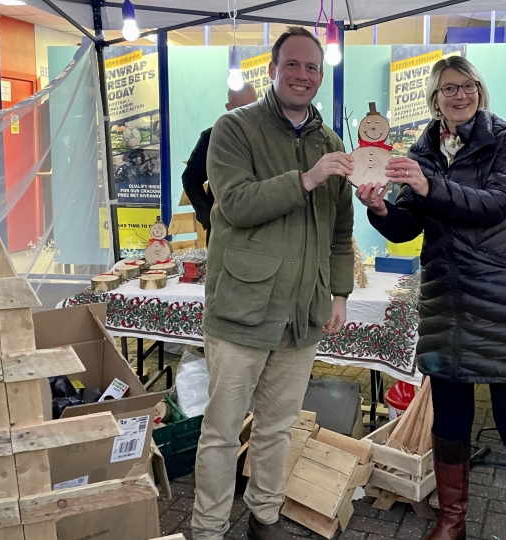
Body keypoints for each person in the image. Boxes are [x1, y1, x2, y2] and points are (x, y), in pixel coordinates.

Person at [356, 56, 506, 540]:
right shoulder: (421, 152)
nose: (459, 95)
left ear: (479, 91)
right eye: (449, 88)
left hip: (503, 296)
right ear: (435, 98)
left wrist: (430, 186)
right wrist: (380, 208)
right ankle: (452, 519)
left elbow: (496, 205)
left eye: (467, 86)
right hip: (448, 299)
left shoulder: (505, 141)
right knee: (449, 416)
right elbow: (407, 226)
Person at [191, 26, 355, 540]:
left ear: (320, 76)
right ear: (273, 69)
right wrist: (305, 179)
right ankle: (209, 527)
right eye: (293, 65)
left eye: (311, 68)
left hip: (301, 311)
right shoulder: (234, 128)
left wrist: (341, 291)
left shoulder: (331, 142)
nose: (302, 75)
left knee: (277, 428)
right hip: (243, 306)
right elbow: (234, 204)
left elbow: (340, 227)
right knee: (220, 433)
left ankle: (264, 518)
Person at [182, 84, 258, 232]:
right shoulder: (212, 137)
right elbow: (191, 179)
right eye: (243, 107)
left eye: (254, 106)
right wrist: (208, 216)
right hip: (222, 230)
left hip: (259, 227)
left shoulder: (265, 138)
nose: (249, 112)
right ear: (229, 107)